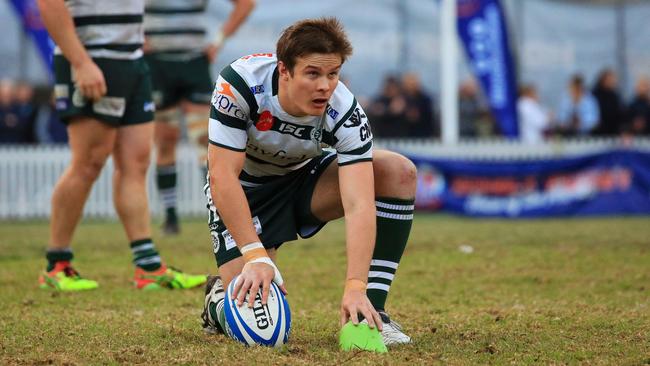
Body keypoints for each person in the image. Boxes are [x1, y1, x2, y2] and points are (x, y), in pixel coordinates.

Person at [200, 18, 416, 346]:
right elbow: (222, 176)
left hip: (305, 181)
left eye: (333, 74)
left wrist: (356, 286)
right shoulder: (241, 84)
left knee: (397, 171)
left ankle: (373, 313)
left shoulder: (345, 111)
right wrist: (255, 255)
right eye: (313, 73)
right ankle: (217, 299)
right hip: (247, 192)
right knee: (260, 332)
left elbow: (359, 204)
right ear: (284, 70)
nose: (325, 86)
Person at [36, 0, 206, 291]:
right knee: (88, 163)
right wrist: (80, 63)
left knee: (137, 162)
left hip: (133, 61)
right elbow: (49, 4)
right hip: (92, 60)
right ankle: (57, 265)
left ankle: (148, 267)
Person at [144, 0, 256, 235]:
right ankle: (171, 216)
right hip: (156, 64)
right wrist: (136, 37)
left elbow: (245, 4)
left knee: (204, 139)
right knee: (165, 139)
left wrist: (218, 41)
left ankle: (218, 212)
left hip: (194, 63)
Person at [592, 68, 624, 136]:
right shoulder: (595, 95)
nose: (613, 82)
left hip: (613, 132)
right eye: (610, 79)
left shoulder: (615, 95)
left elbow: (620, 112)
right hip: (598, 132)